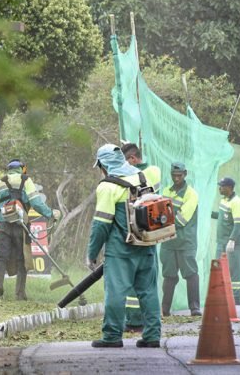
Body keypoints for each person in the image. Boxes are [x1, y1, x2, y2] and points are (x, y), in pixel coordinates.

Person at [88, 144, 161, 348]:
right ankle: (152, 336)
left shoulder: (107, 187)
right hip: (147, 245)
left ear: (103, 165)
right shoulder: (144, 177)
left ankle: (112, 336)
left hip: (121, 251)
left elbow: (101, 225)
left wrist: (92, 254)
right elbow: (155, 173)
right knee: (148, 292)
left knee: (116, 293)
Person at [0, 159, 55, 301]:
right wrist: (50, 214)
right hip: (21, 224)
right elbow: (36, 203)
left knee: (1, 257)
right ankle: (20, 294)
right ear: (22, 169)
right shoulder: (26, 180)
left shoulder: (0, 183)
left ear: (8, 169)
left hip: (3, 223)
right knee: (22, 259)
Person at [120, 142, 162, 331]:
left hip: (135, 232)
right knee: (148, 282)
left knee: (132, 280)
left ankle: (135, 321)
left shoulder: (134, 175)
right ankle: (150, 325)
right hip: (151, 233)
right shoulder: (154, 171)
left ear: (133, 159)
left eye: (124, 161)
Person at [159, 162, 201, 316]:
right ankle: (165, 309)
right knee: (169, 275)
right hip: (168, 242)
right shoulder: (166, 191)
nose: (176, 178)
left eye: (179, 175)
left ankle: (194, 307)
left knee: (190, 274)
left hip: (185, 242)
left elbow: (182, 220)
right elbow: (160, 212)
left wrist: (162, 223)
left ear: (185, 174)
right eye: (174, 175)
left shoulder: (191, 194)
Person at [212, 177, 240, 304]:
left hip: (233, 242)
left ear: (230, 188)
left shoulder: (237, 202)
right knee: (218, 267)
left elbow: (238, 225)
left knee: (234, 269)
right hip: (221, 241)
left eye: (222, 186)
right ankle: (221, 295)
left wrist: (232, 240)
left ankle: (236, 298)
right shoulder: (224, 200)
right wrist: (209, 213)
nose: (219, 188)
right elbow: (222, 217)